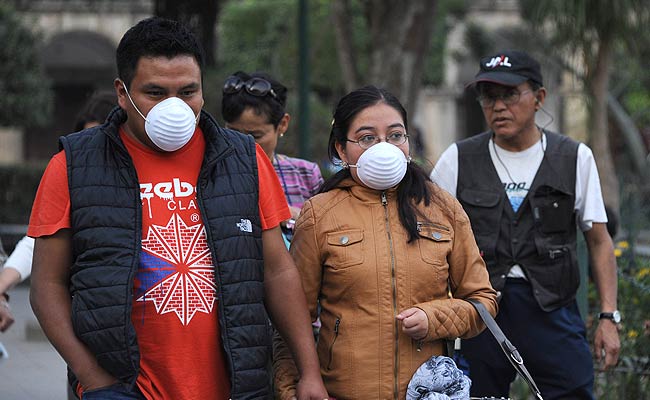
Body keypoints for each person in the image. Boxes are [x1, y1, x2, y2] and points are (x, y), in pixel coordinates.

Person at [28, 17, 327, 400]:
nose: (175, 108)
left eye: (188, 92)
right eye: (155, 92)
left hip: (236, 388)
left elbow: (277, 271)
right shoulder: (73, 164)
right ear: (122, 93)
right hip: (122, 387)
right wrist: (94, 379)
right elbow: (46, 285)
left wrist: (310, 372)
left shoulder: (245, 159)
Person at [273, 85, 498, 399]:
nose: (385, 147)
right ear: (341, 149)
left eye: (395, 135)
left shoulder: (443, 208)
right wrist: (290, 390)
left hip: (427, 392)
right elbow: (291, 318)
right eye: (367, 138)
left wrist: (433, 319)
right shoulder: (320, 213)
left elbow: (482, 302)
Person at [430, 50, 621, 399]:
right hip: (481, 314)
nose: (498, 106)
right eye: (488, 96)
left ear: (539, 98)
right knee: (477, 395)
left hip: (553, 309)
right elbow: (428, 240)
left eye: (509, 94)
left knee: (574, 392)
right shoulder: (458, 158)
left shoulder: (574, 157)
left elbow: (599, 240)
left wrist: (608, 317)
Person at [0, 91, 118, 334]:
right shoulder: (75, 178)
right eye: (86, 138)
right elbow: (38, 243)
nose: (91, 150)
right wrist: (1, 286)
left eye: (100, 139)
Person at [221, 71, 324, 242]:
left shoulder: (305, 174)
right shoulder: (213, 172)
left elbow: (328, 234)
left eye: (255, 136)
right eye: (232, 133)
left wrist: (292, 216)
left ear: (282, 124)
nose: (242, 144)